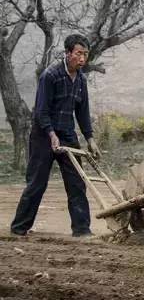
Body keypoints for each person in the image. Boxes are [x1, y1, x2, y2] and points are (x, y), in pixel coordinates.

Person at [10, 34, 102, 237]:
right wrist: (51, 134)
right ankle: (19, 228)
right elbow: (41, 111)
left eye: (85, 54)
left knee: (77, 182)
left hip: (67, 134)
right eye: (78, 53)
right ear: (68, 53)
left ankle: (82, 230)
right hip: (43, 135)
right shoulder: (50, 76)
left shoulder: (81, 80)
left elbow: (82, 113)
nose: (82, 58)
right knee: (37, 183)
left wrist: (90, 139)